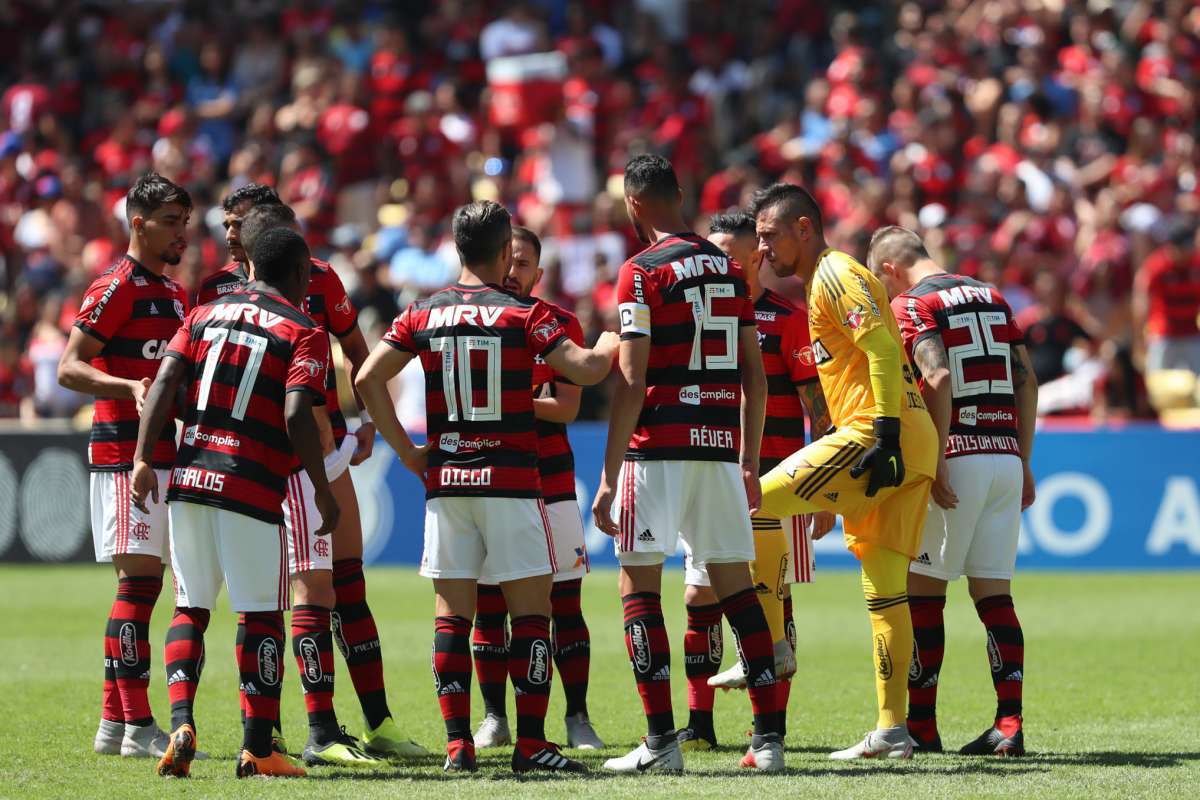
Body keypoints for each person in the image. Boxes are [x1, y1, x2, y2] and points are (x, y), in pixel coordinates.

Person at [355, 200, 618, 774]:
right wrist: (609, 342)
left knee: (453, 616)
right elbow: (587, 370)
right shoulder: (523, 313)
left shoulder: (423, 312)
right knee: (532, 614)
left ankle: (458, 745)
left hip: (448, 484)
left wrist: (408, 452)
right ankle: (532, 743)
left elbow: (367, 377)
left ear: (456, 249)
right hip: (511, 481)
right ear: (504, 252)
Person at [199, 187, 424, 761]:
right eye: (227, 224)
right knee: (281, 594)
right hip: (265, 455)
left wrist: (365, 419)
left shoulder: (318, 277)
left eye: (239, 223)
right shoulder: (214, 290)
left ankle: (377, 723)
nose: (230, 234)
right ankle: (294, 730)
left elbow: (355, 350)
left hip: (322, 448)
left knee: (345, 581)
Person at [591, 155, 785, 773]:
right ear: (680, 194)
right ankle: (769, 743)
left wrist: (608, 474)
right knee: (739, 591)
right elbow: (755, 376)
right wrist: (748, 458)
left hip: (658, 448)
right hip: (719, 449)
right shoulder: (730, 269)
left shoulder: (642, 270)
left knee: (638, 586)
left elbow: (631, 377)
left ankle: (660, 744)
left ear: (634, 204)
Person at [132, 227, 334, 779]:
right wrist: (321, 487)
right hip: (249, 483)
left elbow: (164, 381)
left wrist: (143, 458)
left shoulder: (202, 315)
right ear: (301, 274)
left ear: (250, 267)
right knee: (261, 615)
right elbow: (297, 412)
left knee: (190, 608)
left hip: (190, 477)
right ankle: (257, 748)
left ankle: (181, 722)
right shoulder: (303, 330)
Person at [750, 183, 938, 760]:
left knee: (750, 504)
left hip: (875, 436)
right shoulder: (828, 280)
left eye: (770, 235)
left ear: (804, 228)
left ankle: (772, 645)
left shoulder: (834, 274)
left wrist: (883, 436)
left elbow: (881, 349)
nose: (762, 249)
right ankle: (892, 729)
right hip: (909, 440)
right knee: (886, 593)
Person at [867, 226, 1037, 757]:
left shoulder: (914, 304)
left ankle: (921, 725)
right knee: (995, 598)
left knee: (923, 596)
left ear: (890, 269)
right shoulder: (992, 295)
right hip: (1004, 456)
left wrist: (936, 456)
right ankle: (1009, 724)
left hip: (958, 455)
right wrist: (1024, 460)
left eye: (879, 282)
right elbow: (1026, 380)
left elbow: (937, 377)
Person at [679, 211, 836, 757]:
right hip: (710, 477)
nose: (716, 263)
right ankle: (699, 725)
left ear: (757, 257)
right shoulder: (695, 315)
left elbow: (820, 408)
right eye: (710, 254)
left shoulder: (787, 320)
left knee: (774, 599)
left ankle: (770, 727)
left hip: (776, 484)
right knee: (700, 596)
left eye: (727, 254)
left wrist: (822, 487)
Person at [58, 172, 193, 759]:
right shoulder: (116, 287)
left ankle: (113, 724)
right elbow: (69, 367)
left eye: (185, 223)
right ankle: (139, 725)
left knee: (146, 585)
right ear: (138, 223)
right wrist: (127, 385)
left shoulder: (175, 293)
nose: (181, 234)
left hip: (163, 454)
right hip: (122, 455)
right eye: (170, 222)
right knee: (138, 586)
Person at [472, 225, 605, 751]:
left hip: (550, 480)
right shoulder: (470, 320)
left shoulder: (559, 324)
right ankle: (494, 718)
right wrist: (524, 398)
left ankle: (578, 717)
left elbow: (567, 407)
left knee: (564, 603)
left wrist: (502, 400)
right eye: (506, 260)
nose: (512, 271)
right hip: (489, 479)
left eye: (522, 263)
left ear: (539, 272)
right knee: (489, 606)